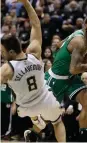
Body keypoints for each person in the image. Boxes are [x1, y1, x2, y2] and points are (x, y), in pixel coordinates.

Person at [0, 0, 66, 142]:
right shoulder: (34, 52)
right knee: (58, 122)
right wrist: (25, 2)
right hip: (46, 100)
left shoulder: (7, 69)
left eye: (2, 51)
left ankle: (37, 120)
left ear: (11, 52)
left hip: (26, 107)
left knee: (25, 109)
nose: (1, 54)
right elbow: (36, 24)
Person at [45, 15, 87, 141]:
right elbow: (74, 69)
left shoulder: (80, 36)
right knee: (45, 118)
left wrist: (80, 54)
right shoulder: (80, 41)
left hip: (70, 77)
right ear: (85, 25)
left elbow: (57, 46)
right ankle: (33, 132)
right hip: (56, 79)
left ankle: (84, 138)